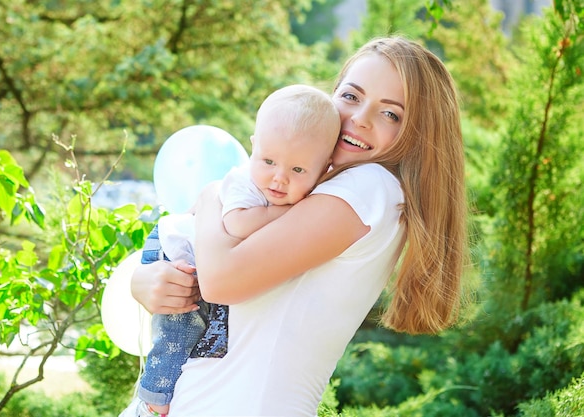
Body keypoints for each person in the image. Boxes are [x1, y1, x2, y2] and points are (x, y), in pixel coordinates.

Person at [129, 36, 468, 417]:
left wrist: (211, 195)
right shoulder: (304, 184)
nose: (359, 119)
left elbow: (222, 280)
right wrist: (147, 281)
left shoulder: (371, 187)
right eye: (351, 96)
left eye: (391, 114)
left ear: (418, 134)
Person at [125, 84, 341, 417]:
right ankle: (155, 394)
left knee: (197, 326)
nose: (278, 179)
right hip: (175, 248)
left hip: (203, 257)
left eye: (298, 170)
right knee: (178, 328)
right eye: (268, 161)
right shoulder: (243, 184)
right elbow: (238, 224)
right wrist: (290, 212)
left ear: (325, 167)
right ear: (254, 146)